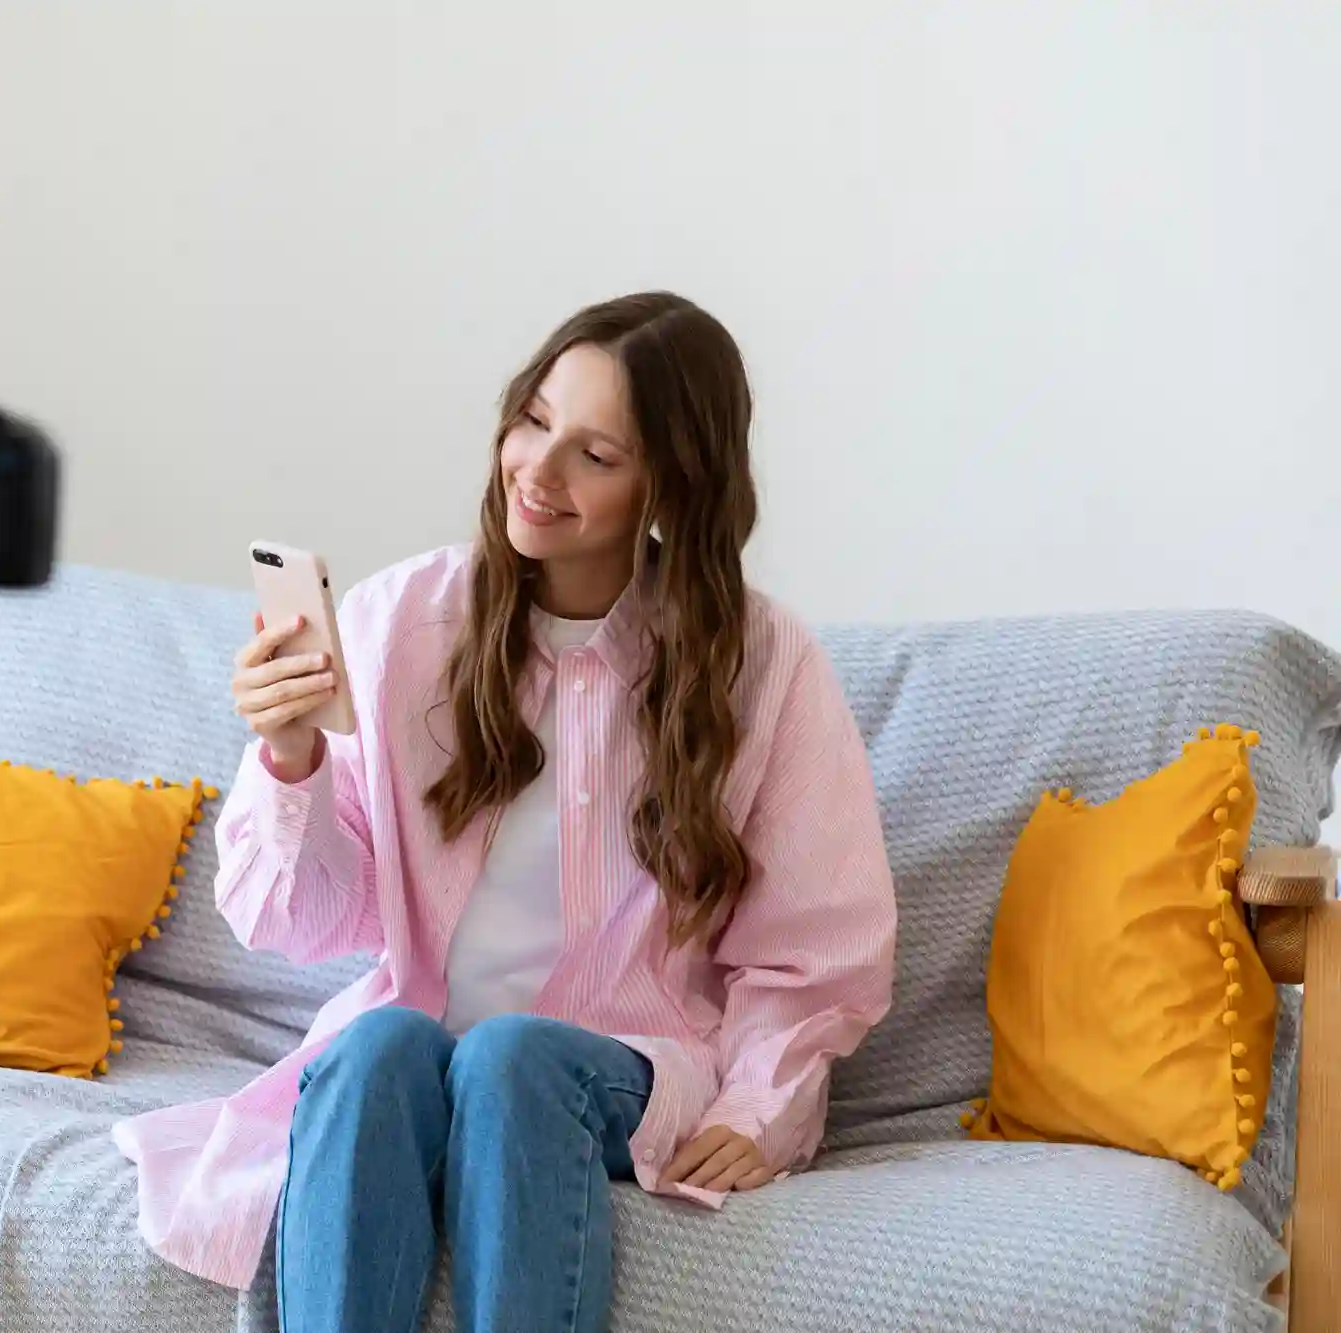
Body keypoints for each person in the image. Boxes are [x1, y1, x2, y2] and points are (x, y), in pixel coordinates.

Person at [113, 291, 897, 1333]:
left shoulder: (759, 661)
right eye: (532, 420)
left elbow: (815, 950)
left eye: (594, 454)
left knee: (511, 1056)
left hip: (620, 1069)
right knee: (374, 1046)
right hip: (420, 1054)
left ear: (668, 486)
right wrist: (291, 757)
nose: (537, 468)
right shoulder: (401, 622)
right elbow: (297, 924)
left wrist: (759, 1109)